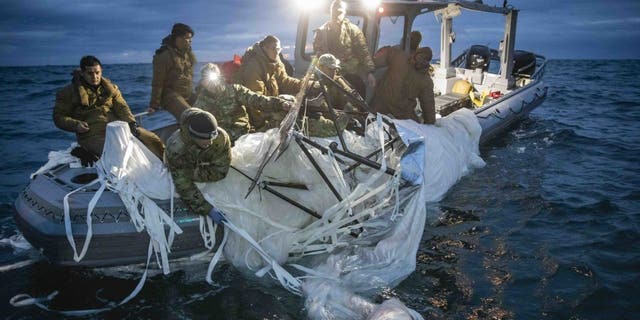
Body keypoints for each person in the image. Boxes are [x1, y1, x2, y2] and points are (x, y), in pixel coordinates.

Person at [53, 55, 165, 163]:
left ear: (101, 71)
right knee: (118, 152)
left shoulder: (111, 89)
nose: (94, 77)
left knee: (152, 139)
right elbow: (58, 117)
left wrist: (131, 123)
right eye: (90, 73)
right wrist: (76, 125)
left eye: (97, 73)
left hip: (118, 128)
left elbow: (122, 107)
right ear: (82, 73)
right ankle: (83, 151)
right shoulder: (68, 93)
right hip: (91, 134)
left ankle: (169, 165)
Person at [193, 63, 292, 143]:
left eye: (213, 79)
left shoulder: (235, 90)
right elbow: (194, 120)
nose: (211, 83)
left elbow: (257, 100)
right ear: (203, 82)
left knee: (281, 116)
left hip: (244, 136)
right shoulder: (201, 101)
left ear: (219, 78)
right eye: (206, 80)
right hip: (222, 142)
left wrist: (280, 103)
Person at [164, 108, 231, 218]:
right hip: (181, 162)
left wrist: (194, 173)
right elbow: (184, 185)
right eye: (204, 138)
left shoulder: (221, 137)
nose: (210, 142)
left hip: (198, 165)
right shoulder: (176, 148)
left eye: (212, 136)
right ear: (193, 135)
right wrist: (207, 209)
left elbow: (221, 171)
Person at [234, 35, 302, 132]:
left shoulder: (275, 62)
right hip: (259, 116)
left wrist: (304, 84)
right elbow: (255, 101)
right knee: (284, 114)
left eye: (278, 49)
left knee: (292, 102)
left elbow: (285, 81)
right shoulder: (254, 67)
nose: (276, 52)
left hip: (269, 106)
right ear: (264, 48)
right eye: (273, 48)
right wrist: (262, 127)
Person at [313, 0, 376, 98]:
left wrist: (370, 73)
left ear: (345, 13)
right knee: (322, 98)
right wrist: (314, 73)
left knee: (358, 96)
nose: (337, 15)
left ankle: (359, 112)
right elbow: (317, 56)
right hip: (329, 75)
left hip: (350, 74)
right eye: (335, 12)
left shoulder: (353, 31)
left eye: (340, 12)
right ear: (331, 12)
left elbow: (363, 52)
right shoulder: (321, 32)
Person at [371, 47, 436, 124]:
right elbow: (428, 105)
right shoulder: (400, 58)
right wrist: (430, 122)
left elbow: (428, 103)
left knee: (414, 130)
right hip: (391, 108)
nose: (421, 60)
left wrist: (430, 123)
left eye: (424, 59)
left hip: (393, 109)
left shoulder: (425, 80)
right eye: (421, 56)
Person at [303, 54, 361, 137]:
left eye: (335, 69)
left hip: (339, 119)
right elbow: (325, 110)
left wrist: (353, 113)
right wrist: (344, 117)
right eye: (330, 69)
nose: (333, 72)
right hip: (324, 123)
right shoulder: (313, 84)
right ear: (320, 67)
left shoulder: (337, 81)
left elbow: (349, 97)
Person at [147, 23, 197, 119]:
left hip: (187, 93)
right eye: (188, 38)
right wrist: (154, 105)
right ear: (178, 38)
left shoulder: (188, 54)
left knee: (209, 107)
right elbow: (158, 82)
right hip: (170, 95)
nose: (190, 41)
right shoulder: (164, 55)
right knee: (191, 116)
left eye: (191, 38)